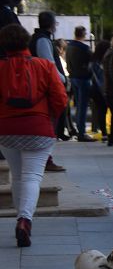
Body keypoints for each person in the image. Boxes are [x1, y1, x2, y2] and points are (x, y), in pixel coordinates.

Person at [0, 23, 68, 247]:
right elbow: (60, 99)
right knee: (32, 177)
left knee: (18, 176)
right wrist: (50, 118)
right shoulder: (44, 66)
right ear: (26, 42)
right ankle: (24, 220)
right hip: (39, 128)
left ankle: (21, 216)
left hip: (6, 130)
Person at [28, 11, 66, 172]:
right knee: (51, 124)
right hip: (46, 87)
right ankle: (46, 159)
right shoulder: (43, 40)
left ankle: (44, 158)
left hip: (40, 86)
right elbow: (48, 64)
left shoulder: (39, 38)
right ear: (51, 24)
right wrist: (62, 80)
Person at [65, 27, 96, 142]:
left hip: (73, 78)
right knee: (83, 106)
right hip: (83, 78)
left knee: (79, 105)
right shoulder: (84, 48)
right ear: (83, 34)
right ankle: (82, 132)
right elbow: (92, 61)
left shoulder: (69, 47)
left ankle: (79, 130)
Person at [89, 39, 109, 141]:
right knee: (108, 111)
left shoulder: (93, 61)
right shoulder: (104, 61)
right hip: (103, 89)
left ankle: (103, 132)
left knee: (101, 111)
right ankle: (106, 132)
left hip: (95, 89)